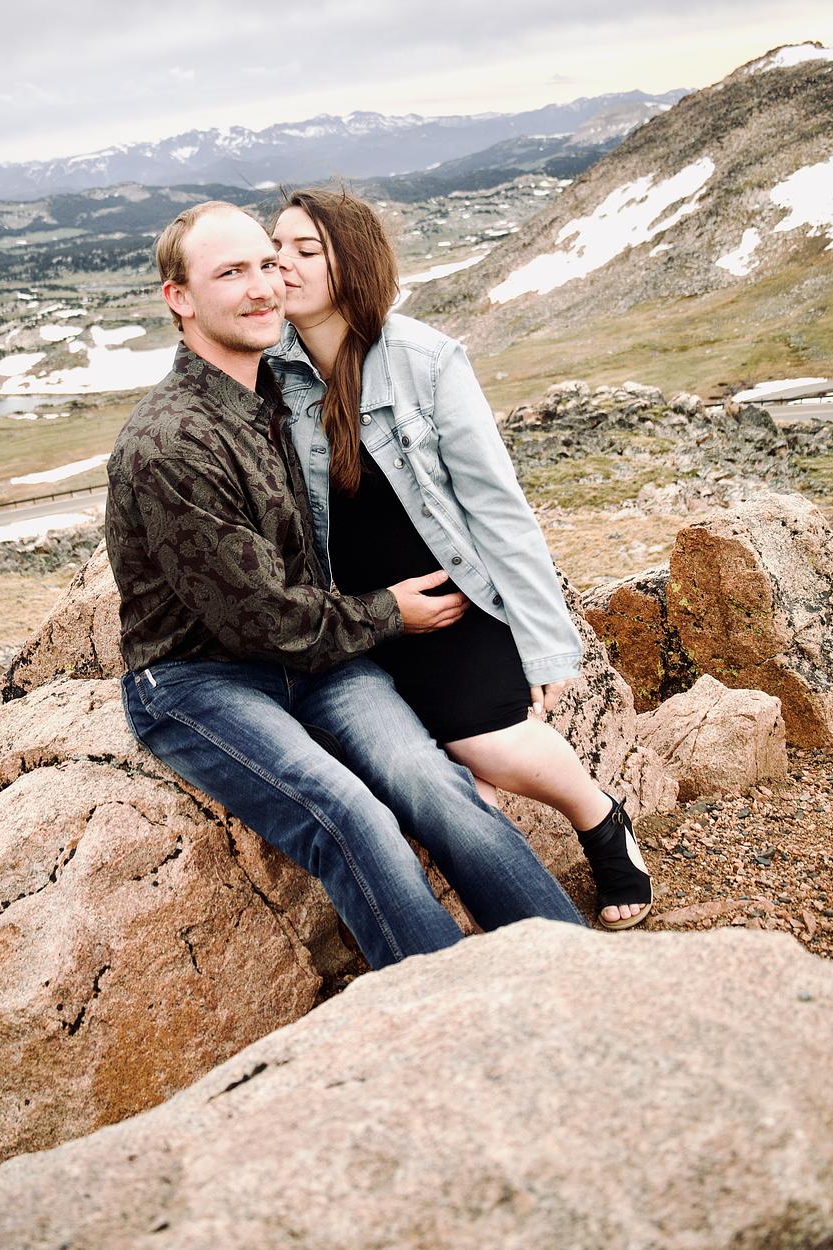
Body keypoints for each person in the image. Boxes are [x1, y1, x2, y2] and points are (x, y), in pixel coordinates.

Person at [103, 200, 585, 973]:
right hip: (201, 678)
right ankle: (452, 1009)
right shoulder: (171, 440)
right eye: (232, 273)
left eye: (268, 265)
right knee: (350, 816)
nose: (263, 286)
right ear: (179, 298)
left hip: (315, 661)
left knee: (433, 783)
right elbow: (260, 620)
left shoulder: (278, 389)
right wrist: (390, 613)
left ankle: (579, 975)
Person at [267, 187, 653, 931]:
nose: (281, 264)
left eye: (305, 250)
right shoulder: (269, 371)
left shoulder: (425, 360)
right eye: (274, 247)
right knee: (440, 784)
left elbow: (497, 507)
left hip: (449, 606)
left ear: (354, 266)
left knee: (488, 747)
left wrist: (545, 642)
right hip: (353, 622)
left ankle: (601, 819)